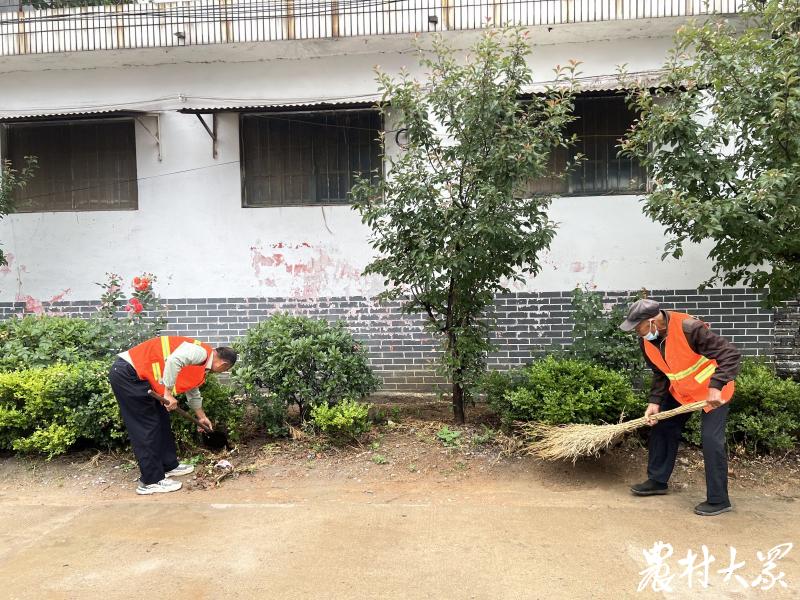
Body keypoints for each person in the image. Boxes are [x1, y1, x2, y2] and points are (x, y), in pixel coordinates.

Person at [619, 298, 741, 516]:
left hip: (713, 392)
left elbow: (730, 354)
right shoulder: (646, 341)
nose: (637, 332)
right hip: (682, 391)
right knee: (662, 427)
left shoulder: (689, 328)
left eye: (639, 327)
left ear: (653, 321)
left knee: (711, 440)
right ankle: (657, 481)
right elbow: (660, 373)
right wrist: (654, 402)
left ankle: (719, 500)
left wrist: (716, 386)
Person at [109, 335, 237, 495]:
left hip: (142, 378)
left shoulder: (201, 363)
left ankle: (169, 465)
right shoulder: (201, 353)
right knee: (146, 428)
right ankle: (151, 481)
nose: (220, 372)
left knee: (162, 420)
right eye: (224, 371)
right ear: (223, 364)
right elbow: (174, 360)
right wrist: (168, 394)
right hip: (129, 374)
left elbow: (192, 388)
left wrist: (201, 416)